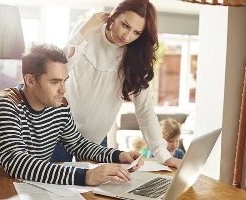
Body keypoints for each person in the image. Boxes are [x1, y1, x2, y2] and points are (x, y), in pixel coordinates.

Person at [0, 43, 143, 198]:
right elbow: (17, 163)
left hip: (36, 190)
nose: (63, 90)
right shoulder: (5, 105)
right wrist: (86, 176)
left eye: (64, 81)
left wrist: (119, 155)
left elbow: (78, 144)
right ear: (30, 80)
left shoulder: (59, 105)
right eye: (55, 82)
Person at [51, 0, 181, 168]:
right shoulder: (87, 31)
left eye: (136, 32)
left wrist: (164, 156)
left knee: (96, 193)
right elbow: (59, 70)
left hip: (96, 142)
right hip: (59, 134)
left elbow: (145, 110)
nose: (127, 37)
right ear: (114, 16)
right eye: (125, 25)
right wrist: (84, 31)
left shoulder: (136, 57)